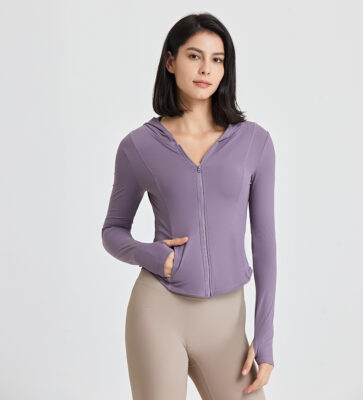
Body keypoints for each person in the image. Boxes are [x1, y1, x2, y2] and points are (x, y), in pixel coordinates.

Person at [101, 12, 277, 400]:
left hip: (226, 323)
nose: (206, 69)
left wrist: (264, 336)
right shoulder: (138, 146)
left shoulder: (254, 143)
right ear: (170, 61)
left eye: (217, 59)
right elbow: (112, 231)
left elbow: (264, 244)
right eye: (194, 56)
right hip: (158, 311)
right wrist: (149, 254)